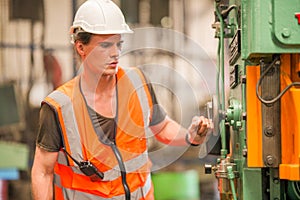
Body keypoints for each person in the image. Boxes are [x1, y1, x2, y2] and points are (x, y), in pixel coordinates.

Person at [31, 0, 212, 199]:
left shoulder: (137, 83)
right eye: (105, 45)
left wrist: (189, 136)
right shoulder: (59, 106)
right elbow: (42, 171)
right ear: (81, 47)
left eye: (119, 44)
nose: (115, 53)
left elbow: (161, 126)